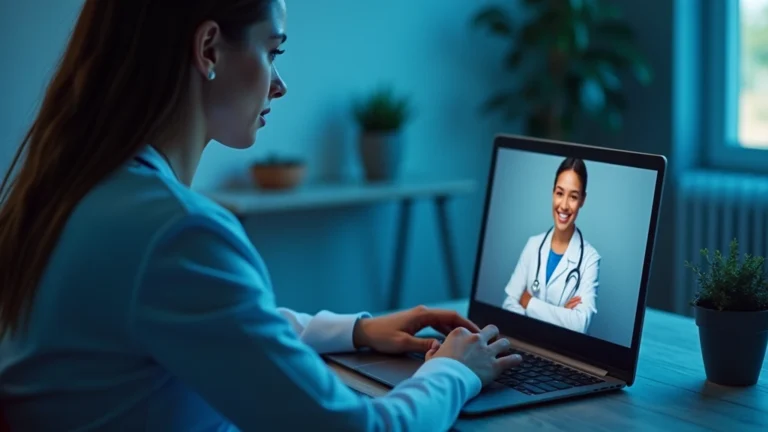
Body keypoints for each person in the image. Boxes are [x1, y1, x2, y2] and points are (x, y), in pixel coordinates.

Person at [0, 1, 523, 431]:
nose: (279, 84)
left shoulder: (77, 193)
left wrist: (358, 331)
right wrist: (455, 371)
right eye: (272, 52)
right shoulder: (176, 232)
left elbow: (216, 321)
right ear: (208, 49)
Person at [501, 157, 601, 334]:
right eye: (560, 193)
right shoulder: (533, 245)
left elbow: (579, 324)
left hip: (563, 352)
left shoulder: (590, 259)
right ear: (552, 192)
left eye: (573, 197)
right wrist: (561, 312)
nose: (564, 205)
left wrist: (529, 302)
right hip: (526, 343)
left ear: (582, 200)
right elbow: (509, 304)